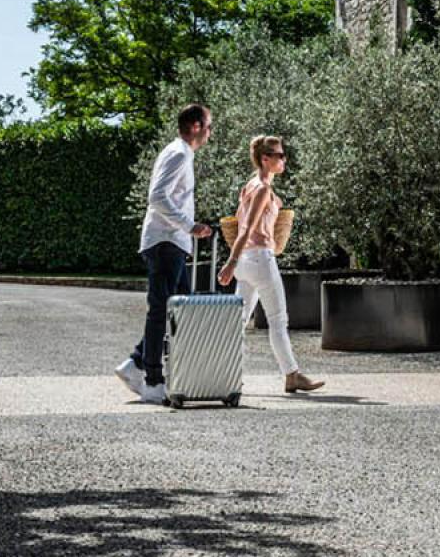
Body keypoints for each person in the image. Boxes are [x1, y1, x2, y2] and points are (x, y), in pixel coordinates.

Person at [117, 104, 216, 404]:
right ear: (196, 126)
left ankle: (135, 363)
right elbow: (157, 197)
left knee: (179, 312)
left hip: (172, 242)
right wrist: (190, 225)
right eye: (209, 126)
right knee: (162, 309)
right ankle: (152, 380)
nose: (211, 132)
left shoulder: (181, 153)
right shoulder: (178, 153)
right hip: (165, 242)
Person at [219, 135, 324, 394]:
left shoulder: (251, 186)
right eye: (279, 155)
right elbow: (246, 228)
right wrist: (229, 263)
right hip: (260, 260)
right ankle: (292, 375)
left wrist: (235, 262)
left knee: (239, 321)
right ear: (265, 159)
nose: (284, 159)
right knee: (278, 321)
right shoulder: (263, 189)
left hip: (247, 261)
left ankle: (224, 375)